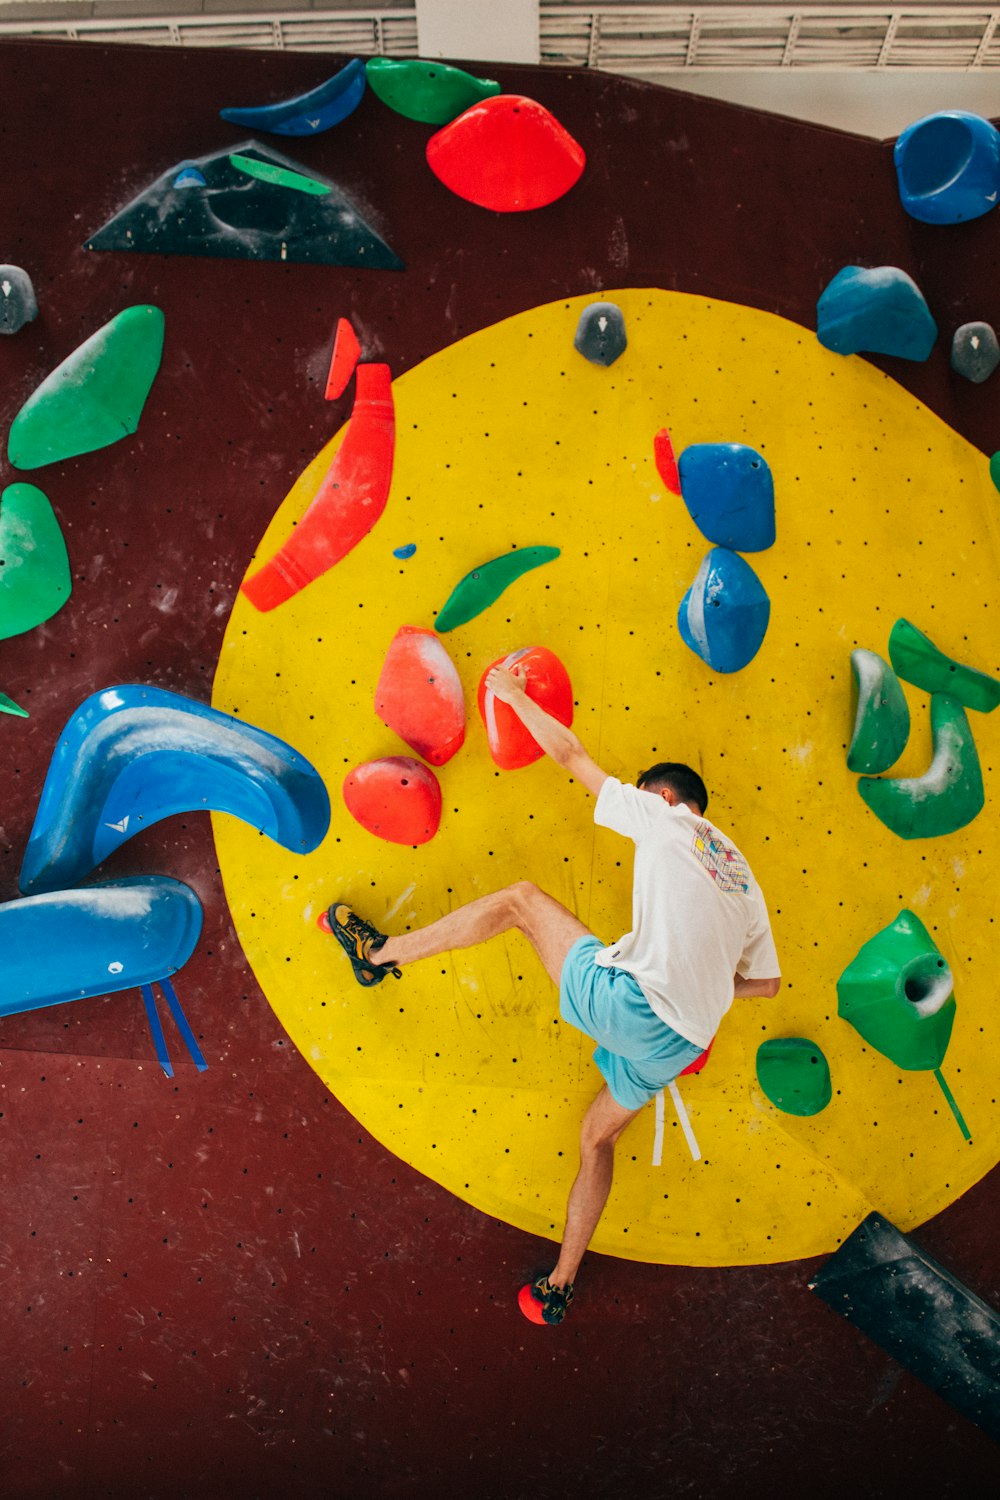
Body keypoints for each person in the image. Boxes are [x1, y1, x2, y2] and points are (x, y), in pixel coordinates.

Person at [327, 663, 780, 1326]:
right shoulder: (743, 878)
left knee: (521, 902)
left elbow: (571, 754)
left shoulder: (663, 819)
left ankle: (377, 956)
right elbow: (764, 985)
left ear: (663, 797)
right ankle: (559, 1286)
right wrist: (702, 980)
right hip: (679, 1045)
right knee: (597, 1139)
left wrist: (509, 695)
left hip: (637, 1009)